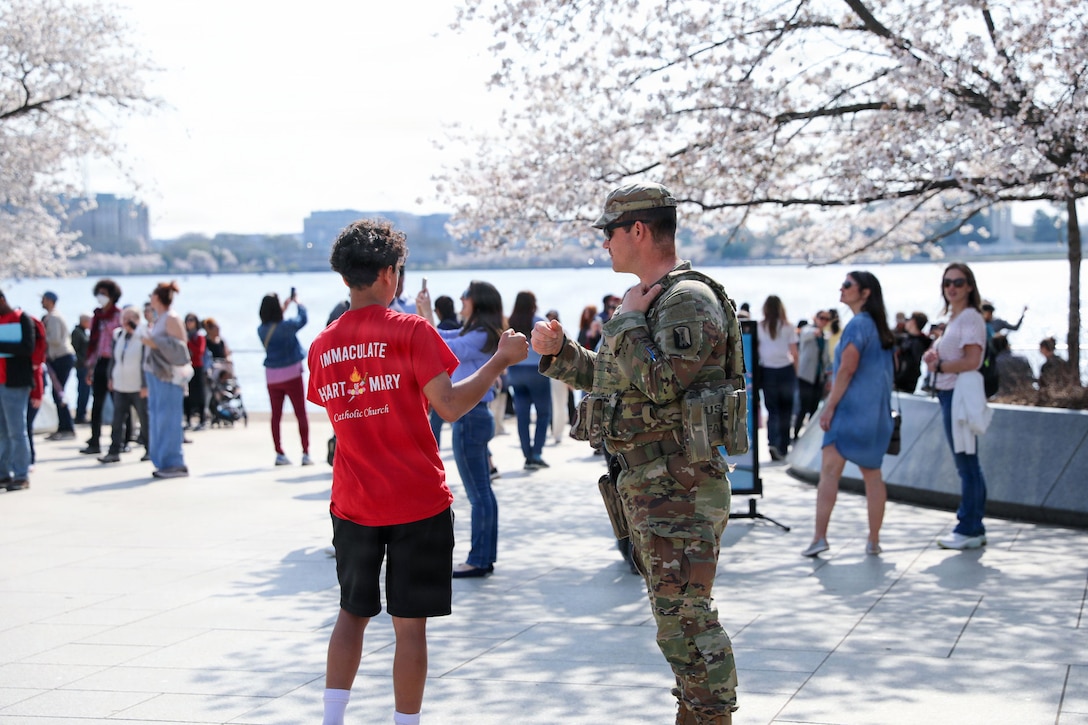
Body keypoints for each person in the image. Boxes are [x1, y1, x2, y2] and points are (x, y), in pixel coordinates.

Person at [532, 182, 741, 724]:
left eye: (611, 232)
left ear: (639, 231)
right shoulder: (651, 301)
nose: (605, 244)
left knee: (687, 622)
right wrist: (562, 354)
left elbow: (664, 383)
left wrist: (624, 320)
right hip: (652, 484)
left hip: (679, 485)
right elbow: (614, 378)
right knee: (675, 622)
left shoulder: (685, 300)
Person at [307, 219, 527, 725]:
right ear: (390, 275)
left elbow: (333, 407)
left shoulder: (323, 346)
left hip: (354, 501)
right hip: (417, 501)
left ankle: (332, 719)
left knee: (351, 614)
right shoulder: (411, 331)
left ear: (346, 278)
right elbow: (449, 406)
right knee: (410, 628)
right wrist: (498, 361)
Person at [801, 272, 896, 558]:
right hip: (876, 413)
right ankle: (874, 539)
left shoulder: (857, 326)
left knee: (829, 473)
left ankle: (820, 537)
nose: (841, 289)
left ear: (865, 293)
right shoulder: (880, 328)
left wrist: (830, 406)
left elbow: (847, 368)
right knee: (873, 476)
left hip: (850, 410)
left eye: (847, 285)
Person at [420, 280, 508, 578]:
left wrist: (424, 318)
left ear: (478, 302)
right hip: (475, 417)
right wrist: (425, 314)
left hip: (471, 418)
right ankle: (483, 556)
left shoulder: (481, 334)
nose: (460, 298)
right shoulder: (478, 332)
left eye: (466, 295)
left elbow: (445, 345)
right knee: (483, 491)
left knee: (479, 492)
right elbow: (444, 335)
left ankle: (479, 558)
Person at [922, 263, 991, 550]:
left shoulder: (971, 318)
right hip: (948, 394)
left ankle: (969, 526)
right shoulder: (955, 317)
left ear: (969, 286)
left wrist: (941, 365)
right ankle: (972, 525)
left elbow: (973, 360)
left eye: (958, 282)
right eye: (948, 282)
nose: (952, 287)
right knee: (966, 462)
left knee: (967, 463)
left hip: (958, 396)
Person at [141, 282, 190, 479]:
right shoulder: (159, 318)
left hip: (169, 376)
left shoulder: (171, 318)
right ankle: (163, 460)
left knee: (168, 417)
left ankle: (174, 462)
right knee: (157, 416)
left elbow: (180, 348)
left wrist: (154, 342)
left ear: (158, 297)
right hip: (156, 374)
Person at [258, 291, 312, 466]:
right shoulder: (286, 326)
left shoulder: (261, 330)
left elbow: (274, 323)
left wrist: (284, 307)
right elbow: (302, 319)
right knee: (300, 413)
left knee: (276, 415)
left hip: (272, 376)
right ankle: (305, 452)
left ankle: (279, 453)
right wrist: (298, 303)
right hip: (292, 373)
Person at [507, 291, 552, 469]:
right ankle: (537, 454)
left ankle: (526, 455)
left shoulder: (511, 322)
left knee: (522, 416)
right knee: (543, 413)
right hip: (536, 371)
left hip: (515, 370)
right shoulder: (538, 320)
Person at [99, 306, 149, 464]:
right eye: (124, 318)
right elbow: (114, 359)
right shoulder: (118, 334)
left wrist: (145, 384)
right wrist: (110, 377)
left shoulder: (143, 335)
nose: (125, 321)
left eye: (129, 318)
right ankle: (114, 451)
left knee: (144, 418)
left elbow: (146, 361)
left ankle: (150, 449)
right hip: (120, 384)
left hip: (137, 385)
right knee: (117, 419)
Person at [0, 290, 37, 491]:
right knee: (2, 432)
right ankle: (3, 473)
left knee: (17, 431)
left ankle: (21, 474)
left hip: (15, 383)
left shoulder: (22, 318)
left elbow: (27, 347)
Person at [81, 279, 123, 455]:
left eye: (104, 294)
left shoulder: (119, 315)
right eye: (99, 293)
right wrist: (90, 366)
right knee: (97, 403)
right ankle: (95, 441)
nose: (101, 297)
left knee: (119, 404)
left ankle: (121, 440)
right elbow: (93, 343)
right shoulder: (97, 316)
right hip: (100, 362)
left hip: (115, 362)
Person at [758, 295, 798, 460]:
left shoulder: (760, 327)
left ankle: (772, 443)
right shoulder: (788, 327)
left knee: (772, 410)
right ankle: (783, 446)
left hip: (768, 371)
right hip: (786, 371)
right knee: (786, 411)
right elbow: (794, 353)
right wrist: (797, 373)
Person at [41, 291, 77, 441]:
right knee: (57, 393)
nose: (42, 302)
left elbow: (55, 339)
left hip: (61, 357)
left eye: (43, 299)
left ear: (50, 301)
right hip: (58, 358)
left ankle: (67, 427)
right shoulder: (51, 316)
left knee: (59, 393)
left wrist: (40, 337)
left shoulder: (54, 317)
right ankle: (63, 426)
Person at [794, 310, 831, 440]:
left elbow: (826, 357)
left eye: (827, 319)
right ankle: (796, 434)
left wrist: (828, 374)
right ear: (816, 318)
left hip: (818, 376)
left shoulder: (825, 337)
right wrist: (816, 332)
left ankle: (808, 435)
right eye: (822, 318)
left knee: (814, 408)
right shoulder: (807, 330)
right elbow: (805, 334)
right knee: (803, 407)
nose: (824, 321)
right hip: (805, 376)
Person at [894, 311, 931, 393]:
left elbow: (911, 364)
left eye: (908, 320)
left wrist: (897, 380)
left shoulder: (917, 343)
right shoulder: (907, 339)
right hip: (899, 381)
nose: (906, 322)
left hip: (904, 384)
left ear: (913, 322)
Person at [183, 313, 208, 431]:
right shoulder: (184, 335)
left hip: (197, 367)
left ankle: (202, 419)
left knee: (200, 394)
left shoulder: (199, 336)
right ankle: (187, 419)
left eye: (192, 320)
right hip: (186, 367)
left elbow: (200, 351)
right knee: (186, 395)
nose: (189, 322)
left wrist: (188, 343)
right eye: (187, 320)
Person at [72, 314, 91, 425]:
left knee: (86, 391)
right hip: (82, 366)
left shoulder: (84, 332)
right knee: (83, 390)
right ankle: (80, 415)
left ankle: (82, 413)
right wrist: (82, 361)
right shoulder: (77, 332)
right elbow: (74, 349)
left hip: (86, 366)